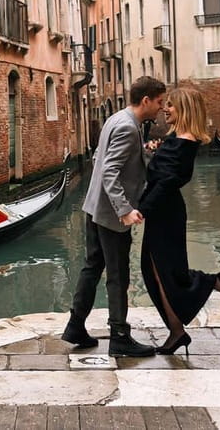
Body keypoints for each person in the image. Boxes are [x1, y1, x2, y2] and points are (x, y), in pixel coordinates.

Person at [61, 76, 166, 358]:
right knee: (118, 275)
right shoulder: (128, 128)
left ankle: (75, 326)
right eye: (159, 102)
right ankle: (119, 336)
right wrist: (125, 209)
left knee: (92, 267)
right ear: (146, 100)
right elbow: (109, 170)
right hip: (111, 215)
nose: (161, 108)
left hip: (94, 206)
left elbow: (99, 158)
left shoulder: (115, 119)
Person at [137, 88, 220, 355]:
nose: (165, 109)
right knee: (158, 271)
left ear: (184, 109)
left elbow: (168, 181)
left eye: (171, 105)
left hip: (165, 212)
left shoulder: (184, 142)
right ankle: (177, 331)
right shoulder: (176, 139)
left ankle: (211, 283)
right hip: (163, 210)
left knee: (164, 271)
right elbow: (162, 173)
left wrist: (142, 210)